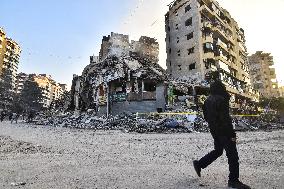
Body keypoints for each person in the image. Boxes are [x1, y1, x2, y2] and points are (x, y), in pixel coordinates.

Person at [192, 77, 251, 189]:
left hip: (214, 131)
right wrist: (231, 134)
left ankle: (199, 164)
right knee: (233, 156)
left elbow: (206, 117)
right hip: (224, 131)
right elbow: (225, 119)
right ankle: (233, 180)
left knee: (218, 151)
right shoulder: (222, 99)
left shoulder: (207, 101)